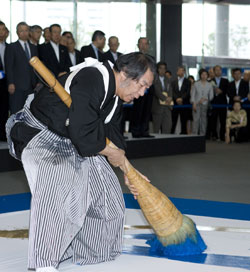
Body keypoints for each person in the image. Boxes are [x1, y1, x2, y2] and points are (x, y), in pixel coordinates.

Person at [6, 52, 155, 272]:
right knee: (58, 180)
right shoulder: (93, 77)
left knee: (108, 192)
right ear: (125, 74)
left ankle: (85, 249)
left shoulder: (115, 98)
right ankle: (45, 262)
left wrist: (129, 171)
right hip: (40, 133)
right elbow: (83, 131)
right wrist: (113, 154)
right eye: (142, 85)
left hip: (75, 140)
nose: (142, 94)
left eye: (146, 89)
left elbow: (111, 137)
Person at [5, 21, 38, 114]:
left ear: (29, 32)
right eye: (21, 31)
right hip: (16, 86)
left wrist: (37, 82)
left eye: (26, 30)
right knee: (16, 112)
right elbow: (9, 66)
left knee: (29, 113)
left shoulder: (33, 47)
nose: (24, 33)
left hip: (31, 86)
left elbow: (37, 67)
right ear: (17, 33)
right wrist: (10, 83)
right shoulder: (12, 47)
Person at [130, 37, 155, 138]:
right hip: (137, 87)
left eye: (146, 44)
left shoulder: (152, 58)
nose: (143, 46)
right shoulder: (133, 57)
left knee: (147, 109)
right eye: (141, 43)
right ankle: (135, 131)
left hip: (149, 88)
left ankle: (145, 131)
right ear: (138, 45)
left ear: (148, 46)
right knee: (137, 109)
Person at [191, 68, 214, 136]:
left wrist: (206, 99)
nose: (204, 76)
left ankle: (202, 135)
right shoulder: (196, 84)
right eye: (202, 74)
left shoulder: (209, 85)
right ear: (200, 75)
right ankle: (194, 135)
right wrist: (194, 103)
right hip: (196, 104)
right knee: (196, 120)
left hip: (205, 104)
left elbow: (211, 96)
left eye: (205, 74)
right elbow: (192, 95)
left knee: (204, 121)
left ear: (207, 76)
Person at [152, 61, 173, 134]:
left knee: (167, 127)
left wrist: (170, 97)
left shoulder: (168, 79)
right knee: (156, 128)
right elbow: (156, 90)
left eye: (164, 69)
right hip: (158, 107)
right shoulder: (154, 79)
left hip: (167, 107)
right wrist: (165, 98)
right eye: (160, 68)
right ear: (157, 69)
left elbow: (170, 89)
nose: (162, 70)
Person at [210, 65, 229, 141]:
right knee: (213, 120)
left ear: (221, 71)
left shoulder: (225, 81)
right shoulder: (210, 81)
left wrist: (222, 91)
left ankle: (222, 136)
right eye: (216, 70)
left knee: (223, 120)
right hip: (213, 103)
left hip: (223, 103)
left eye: (219, 70)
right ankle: (214, 135)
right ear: (214, 72)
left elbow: (228, 90)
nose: (218, 71)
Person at [171, 66, 191, 134]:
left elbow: (188, 92)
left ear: (185, 72)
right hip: (175, 104)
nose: (181, 72)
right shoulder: (173, 81)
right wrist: (176, 99)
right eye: (179, 70)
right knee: (173, 121)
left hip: (184, 103)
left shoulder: (188, 81)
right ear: (177, 72)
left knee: (184, 121)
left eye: (182, 70)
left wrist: (181, 98)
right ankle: (171, 134)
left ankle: (183, 134)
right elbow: (172, 91)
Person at [0, 21, 8, 141]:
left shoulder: (8, 46)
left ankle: (2, 134)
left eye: (3, 29)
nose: (1, 32)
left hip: (5, 82)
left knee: (4, 109)